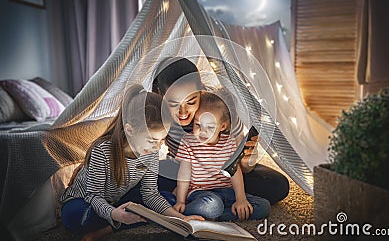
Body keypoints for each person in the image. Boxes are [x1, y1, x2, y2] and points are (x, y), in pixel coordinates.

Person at [60, 84, 203, 241]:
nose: (158, 146)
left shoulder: (151, 153)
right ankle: (117, 220)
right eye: (152, 140)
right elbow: (93, 195)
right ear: (129, 130)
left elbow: (150, 194)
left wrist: (180, 219)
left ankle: (109, 228)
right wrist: (114, 213)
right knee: (80, 217)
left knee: (167, 201)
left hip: (116, 201)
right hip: (84, 201)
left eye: (162, 139)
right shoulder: (102, 151)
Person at [152, 57, 289, 205]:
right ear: (160, 94)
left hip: (224, 174)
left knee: (278, 185)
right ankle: (203, 201)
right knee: (139, 180)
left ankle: (209, 202)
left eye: (191, 102)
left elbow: (241, 168)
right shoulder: (155, 110)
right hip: (183, 172)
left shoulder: (221, 107)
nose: (183, 112)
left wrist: (246, 162)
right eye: (173, 103)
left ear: (201, 90)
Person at [166, 91, 270, 221]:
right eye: (198, 125)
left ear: (222, 126)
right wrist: (181, 200)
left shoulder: (230, 141)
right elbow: (184, 173)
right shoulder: (188, 142)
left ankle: (215, 216)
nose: (202, 131)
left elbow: (235, 171)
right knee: (212, 205)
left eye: (210, 127)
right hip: (200, 193)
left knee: (263, 206)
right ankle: (182, 212)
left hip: (226, 191)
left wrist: (241, 199)